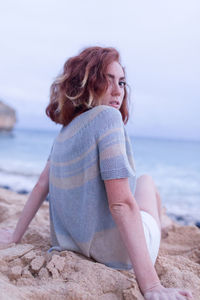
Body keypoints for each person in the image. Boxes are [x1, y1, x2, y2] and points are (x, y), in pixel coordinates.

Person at [0, 47, 193, 299]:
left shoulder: (63, 134)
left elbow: (40, 186)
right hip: (124, 253)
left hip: (78, 246)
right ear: (86, 84)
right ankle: (161, 220)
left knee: (141, 193)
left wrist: (15, 235)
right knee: (146, 181)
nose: (118, 90)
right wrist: (152, 287)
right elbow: (121, 203)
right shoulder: (108, 118)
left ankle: (162, 220)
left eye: (122, 82)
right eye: (107, 80)